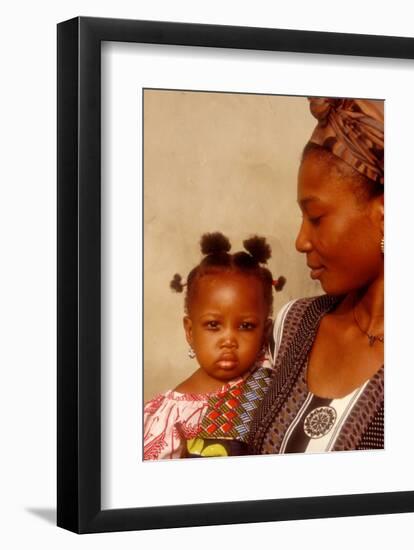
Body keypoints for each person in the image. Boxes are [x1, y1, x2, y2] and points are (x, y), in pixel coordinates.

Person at [248, 97, 384, 454]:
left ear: (386, 214)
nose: (300, 240)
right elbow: (237, 434)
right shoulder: (292, 326)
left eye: (317, 218)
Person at [143, 232, 285, 460]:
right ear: (190, 331)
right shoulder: (168, 416)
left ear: (265, 331)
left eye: (246, 326)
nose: (228, 340)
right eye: (213, 325)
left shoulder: (273, 376)